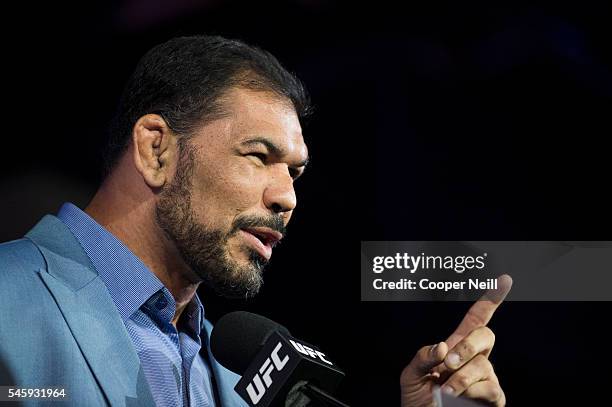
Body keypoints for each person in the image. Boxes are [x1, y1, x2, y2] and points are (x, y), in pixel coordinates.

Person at [0, 35, 507, 407]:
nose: (287, 198)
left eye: (295, 173)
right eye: (258, 156)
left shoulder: (238, 373)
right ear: (157, 149)